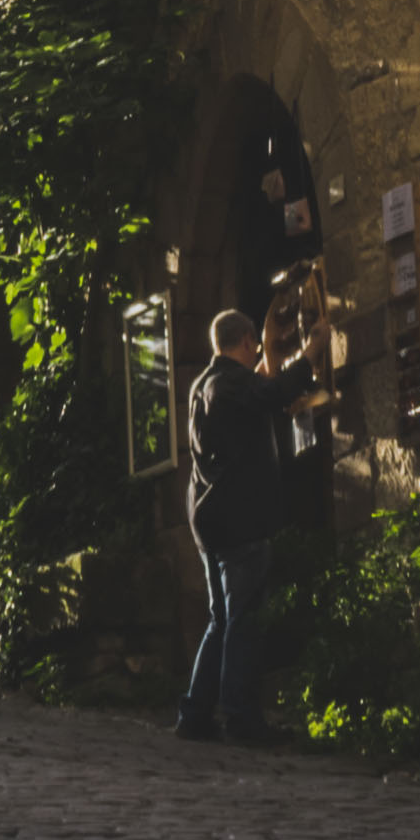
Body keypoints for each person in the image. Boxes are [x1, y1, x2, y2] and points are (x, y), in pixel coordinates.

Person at [176, 296, 306, 744]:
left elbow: (257, 394)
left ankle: (195, 713)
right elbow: (270, 394)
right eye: (255, 346)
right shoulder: (227, 385)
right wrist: (313, 355)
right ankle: (239, 716)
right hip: (238, 520)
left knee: (221, 618)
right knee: (243, 619)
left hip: (210, 519)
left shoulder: (205, 385)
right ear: (248, 340)